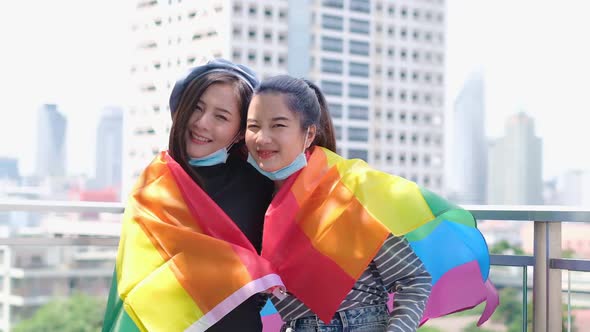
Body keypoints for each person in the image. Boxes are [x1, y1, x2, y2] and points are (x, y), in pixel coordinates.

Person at [246, 75, 498, 331]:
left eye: (278, 125)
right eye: (253, 126)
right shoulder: (253, 203)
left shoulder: (347, 191)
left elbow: (413, 279)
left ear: (309, 133)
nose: (262, 138)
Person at [102, 59, 279, 332]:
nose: (201, 123)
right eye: (197, 107)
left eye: (221, 116)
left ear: (239, 132)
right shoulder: (154, 183)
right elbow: (135, 280)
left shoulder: (261, 187)